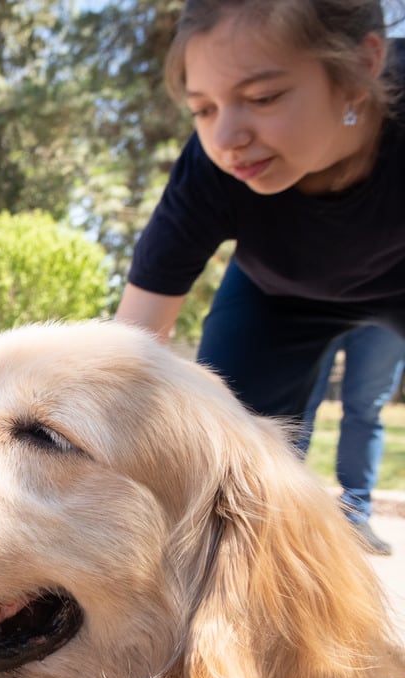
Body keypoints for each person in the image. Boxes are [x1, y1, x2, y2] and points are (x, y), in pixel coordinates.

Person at [114, 0, 405, 532]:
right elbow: (127, 353)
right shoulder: (209, 169)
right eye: (203, 109)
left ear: (363, 65)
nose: (226, 139)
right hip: (276, 295)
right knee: (226, 465)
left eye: (262, 97)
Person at [297, 324, 405, 556]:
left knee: (367, 412)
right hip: (315, 296)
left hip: (384, 305)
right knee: (299, 407)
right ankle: (285, 512)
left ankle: (356, 514)